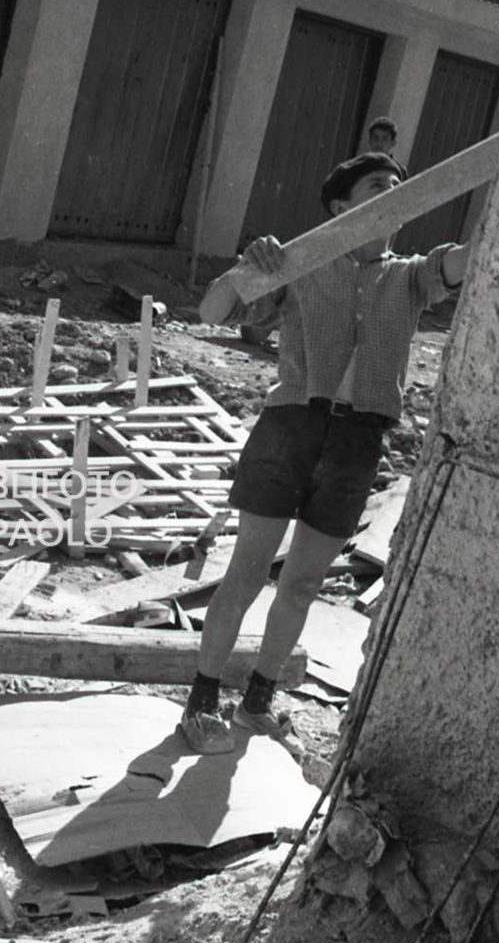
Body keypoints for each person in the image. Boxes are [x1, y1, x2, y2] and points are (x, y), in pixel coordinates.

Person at [180, 151, 468, 754]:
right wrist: (246, 269)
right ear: (342, 207)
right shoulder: (303, 262)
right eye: (377, 186)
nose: (392, 194)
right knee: (247, 571)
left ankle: (257, 701)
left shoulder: (410, 275)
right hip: (290, 427)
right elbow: (212, 311)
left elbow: (465, 262)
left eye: (400, 188)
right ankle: (202, 700)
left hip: (357, 440)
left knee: (304, 581)